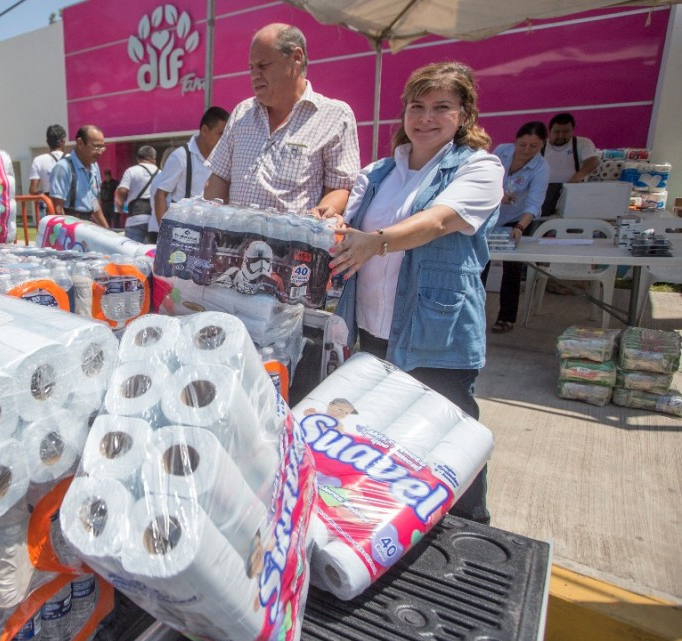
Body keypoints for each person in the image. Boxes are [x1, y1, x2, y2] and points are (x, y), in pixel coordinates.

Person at [322, 61, 504, 525]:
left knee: (450, 442)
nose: (425, 118)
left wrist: (376, 241)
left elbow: (439, 221)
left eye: (441, 107)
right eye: (416, 107)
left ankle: (470, 528)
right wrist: (332, 222)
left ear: (464, 115)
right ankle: (397, 527)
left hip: (437, 335)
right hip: (373, 330)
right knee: (386, 440)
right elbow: (347, 221)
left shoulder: (479, 168)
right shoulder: (379, 172)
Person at [203, 23, 360, 215]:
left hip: (294, 235)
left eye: (263, 65)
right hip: (232, 235)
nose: (254, 76)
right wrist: (205, 219)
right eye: (251, 68)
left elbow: (341, 187)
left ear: (296, 58)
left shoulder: (335, 116)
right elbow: (219, 179)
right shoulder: (242, 113)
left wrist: (324, 211)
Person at [482, 122, 550, 333]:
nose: (526, 150)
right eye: (523, 144)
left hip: (517, 219)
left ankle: (507, 316)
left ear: (542, 145)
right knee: (479, 263)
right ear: (515, 141)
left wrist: (520, 227)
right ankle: (472, 313)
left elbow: (534, 203)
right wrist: (497, 193)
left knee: (512, 268)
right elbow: (484, 178)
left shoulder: (541, 168)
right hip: (489, 214)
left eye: (533, 146)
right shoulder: (502, 151)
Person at [153, 106, 230, 226]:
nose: (224, 140)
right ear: (204, 130)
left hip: (210, 227)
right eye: (220, 134)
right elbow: (161, 195)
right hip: (182, 228)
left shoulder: (222, 159)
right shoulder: (181, 156)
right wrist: (163, 230)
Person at [49, 125, 110, 228]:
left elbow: (94, 204)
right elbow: (58, 209)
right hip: (70, 227)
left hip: (87, 225)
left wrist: (108, 231)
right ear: (80, 143)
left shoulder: (94, 167)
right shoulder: (64, 168)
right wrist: (69, 233)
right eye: (96, 147)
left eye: (102, 147)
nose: (99, 152)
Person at [540, 112, 600, 218]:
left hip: (574, 192)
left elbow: (593, 161)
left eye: (566, 131)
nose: (561, 136)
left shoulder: (583, 143)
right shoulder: (540, 146)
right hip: (545, 193)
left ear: (572, 131)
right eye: (556, 132)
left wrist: (575, 179)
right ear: (550, 131)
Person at [115, 146, 160, 242]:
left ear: (138, 158)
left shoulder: (131, 171)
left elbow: (122, 191)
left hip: (135, 218)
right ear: (154, 159)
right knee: (150, 250)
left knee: (132, 249)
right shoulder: (161, 173)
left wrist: (120, 208)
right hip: (154, 221)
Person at [28, 124, 67, 197]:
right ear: (63, 141)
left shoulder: (38, 160)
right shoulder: (72, 159)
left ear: (47, 142)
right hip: (69, 202)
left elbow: (33, 191)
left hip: (49, 202)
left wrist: (46, 195)